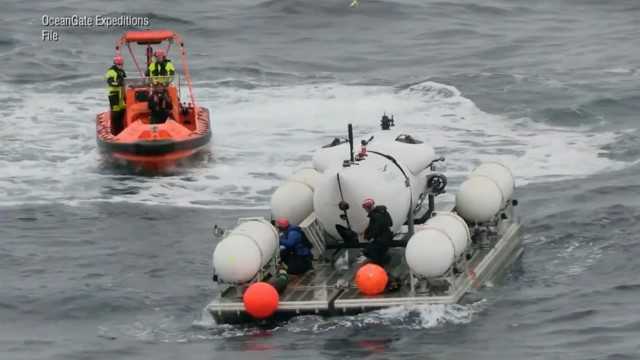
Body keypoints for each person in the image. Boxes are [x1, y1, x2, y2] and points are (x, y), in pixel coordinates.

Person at [361, 198, 394, 266]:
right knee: (376, 251)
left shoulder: (375, 215)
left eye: (366, 208)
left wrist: (368, 236)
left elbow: (375, 229)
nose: (365, 210)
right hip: (387, 237)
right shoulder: (383, 212)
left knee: (368, 251)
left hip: (382, 239)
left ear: (368, 208)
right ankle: (382, 262)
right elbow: (390, 223)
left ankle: (379, 265)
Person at [105, 56, 127, 135]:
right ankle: (115, 132)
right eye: (119, 64)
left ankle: (122, 129)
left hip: (121, 93)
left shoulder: (121, 71)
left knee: (122, 111)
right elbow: (110, 82)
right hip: (114, 94)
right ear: (115, 64)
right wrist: (118, 83)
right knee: (116, 113)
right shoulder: (111, 72)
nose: (120, 66)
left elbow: (125, 81)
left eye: (121, 64)